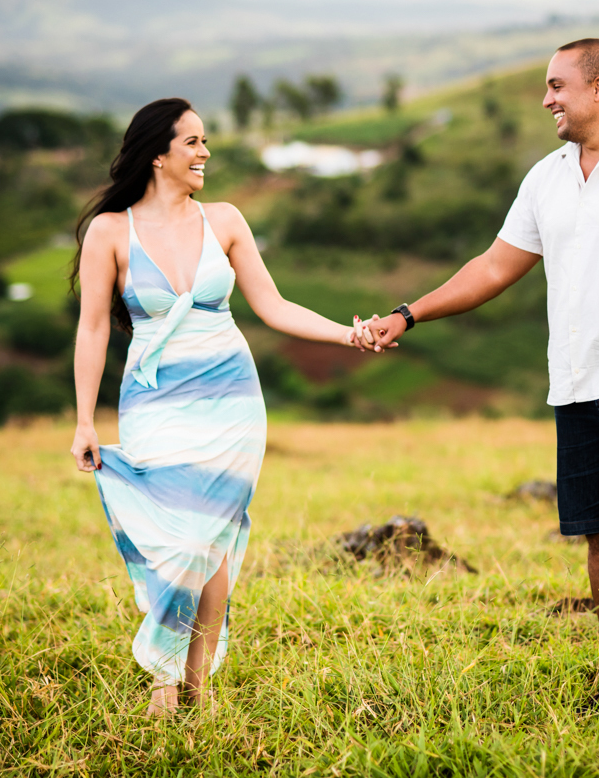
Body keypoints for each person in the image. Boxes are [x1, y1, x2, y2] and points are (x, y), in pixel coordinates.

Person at [363, 39, 599, 731]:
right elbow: (495, 266)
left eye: (557, 85)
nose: (546, 99)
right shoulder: (548, 177)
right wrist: (408, 314)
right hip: (576, 385)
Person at [69, 98, 373, 717]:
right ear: (158, 154)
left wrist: (348, 333)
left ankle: (198, 688)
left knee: (212, 538)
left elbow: (275, 306)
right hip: (154, 400)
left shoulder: (226, 220)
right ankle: (162, 680)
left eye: (206, 141)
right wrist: (83, 419)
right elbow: (93, 328)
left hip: (232, 399)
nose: (205, 153)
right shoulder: (109, 231)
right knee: (176, 540)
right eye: (193, 143)